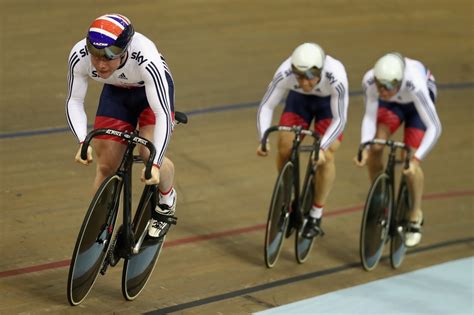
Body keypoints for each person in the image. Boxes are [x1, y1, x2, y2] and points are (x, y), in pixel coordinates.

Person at [65, 13, 177, 238]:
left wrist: (154, 163)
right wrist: (81, 140)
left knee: (147, 151)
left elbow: (162, 113)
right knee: (106, 166)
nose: (100, 63)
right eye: (95, 56)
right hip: (117, 93)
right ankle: (97, 230)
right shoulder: (79, 55)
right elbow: (74, 100)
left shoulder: (146, 57)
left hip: (150, 94)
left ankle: (167, 198)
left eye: (108, 57)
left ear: (125, 51)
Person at [256, 42, 349, 238]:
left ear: (320, 71)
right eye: (299, 76)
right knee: (284, 147)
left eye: (309, 77)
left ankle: (316, 213)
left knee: (328, 155)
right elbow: (266, 106)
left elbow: (340, 118)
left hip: (327, 108)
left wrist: (322, 148)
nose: (304, 83)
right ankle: (287, 197)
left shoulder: (336, 76)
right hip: (299, 102)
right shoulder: (285, 72)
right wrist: (263, 137)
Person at [354, 52, 442, 247]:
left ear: (399, 81)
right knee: (377, 145)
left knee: (408, 159)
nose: (382, 90)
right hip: (394, 104)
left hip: (417, 106)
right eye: (380, 86)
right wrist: (365, 145)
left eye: (387, 87)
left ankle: (415, 214)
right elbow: (369, 116)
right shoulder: (371, 81)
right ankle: (380, 194)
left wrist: (417, 159)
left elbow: (435, 127)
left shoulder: (415, 84)